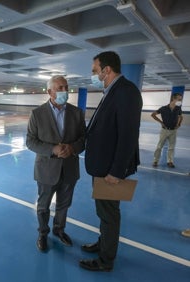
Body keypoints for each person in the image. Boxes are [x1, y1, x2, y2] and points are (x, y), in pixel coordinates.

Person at [79, 51, 143, 271]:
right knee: (104, 213)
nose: (93, 75)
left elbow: (128, 135)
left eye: (95, 71)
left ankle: (105, 260)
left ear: (106, 70)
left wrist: (116, 171)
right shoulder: (112, 91)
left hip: (109, 169)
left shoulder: (126, 92)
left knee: (109, 215)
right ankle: (103, 243)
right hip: (102, 165)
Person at [26, 75, 86, 252]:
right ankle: (43, 233)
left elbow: (83, 139)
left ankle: (59, 230)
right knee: (43, 206)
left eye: (66, 87)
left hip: (69, 169)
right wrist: (52, 149)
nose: (64, 91)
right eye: (60, 88)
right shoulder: (37, 114)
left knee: (64, 205)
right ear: (49, 92)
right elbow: (30, 141)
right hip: (46, 170)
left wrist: (72, 148)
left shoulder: (77, 113)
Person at [151, 93, 183, 168]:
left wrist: (179, 124)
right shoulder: (163, 108)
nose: (180, 101)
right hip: (164, 131)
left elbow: (181, 117)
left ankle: (170, 161)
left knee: (171, 147)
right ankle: (155, 161)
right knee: (159, 146)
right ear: (173, 99)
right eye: (179, 99)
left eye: (181, 99)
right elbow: (153, 114)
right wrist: (161, 122)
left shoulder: (178, 108)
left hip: (173, 131)